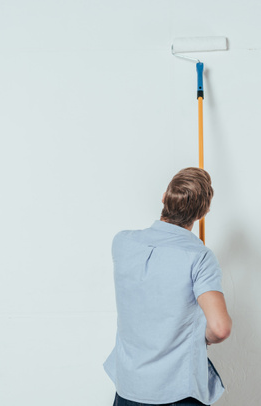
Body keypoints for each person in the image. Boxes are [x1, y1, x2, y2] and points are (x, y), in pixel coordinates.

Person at [104, 167, 232, 406]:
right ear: (203, 213)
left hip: (128, 390)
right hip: (176, 394)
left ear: (164, 197)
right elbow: (220, 328)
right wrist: (200, 335)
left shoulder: (122, 242)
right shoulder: (200, 257)